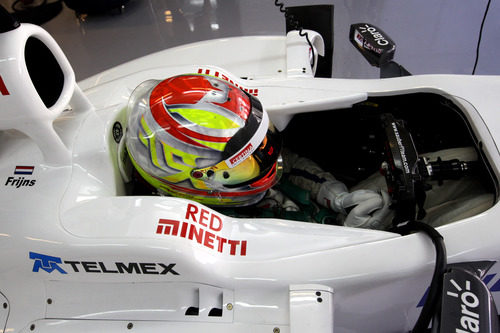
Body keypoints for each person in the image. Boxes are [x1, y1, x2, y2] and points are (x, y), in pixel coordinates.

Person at [124, 74, 391, 229]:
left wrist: (335, 195)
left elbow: (287, 164)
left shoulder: (248, 166)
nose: (268, 163)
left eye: (263, 141)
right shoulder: (221, 232)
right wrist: (350, 235)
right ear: (196, 179)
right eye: (244, 166)